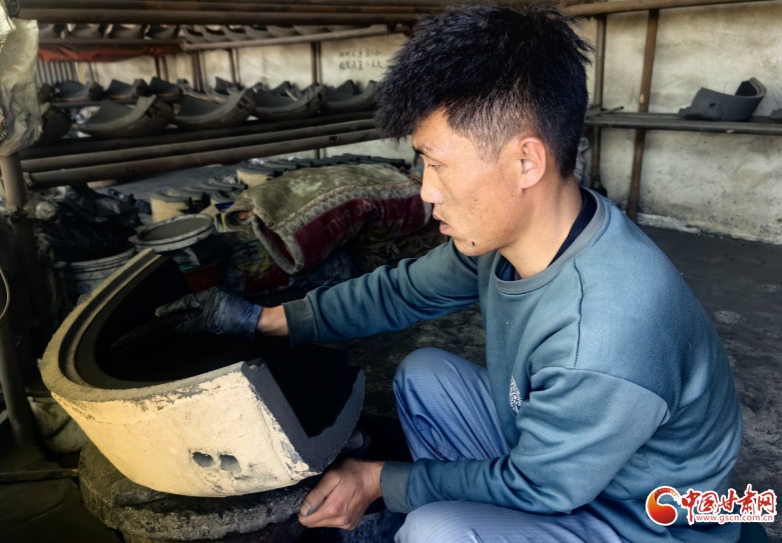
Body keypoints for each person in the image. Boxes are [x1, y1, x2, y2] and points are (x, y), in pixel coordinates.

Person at [157, 4, 743, 542]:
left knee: (434, 530)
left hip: (646, 517)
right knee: (426, 373)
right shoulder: (522, 233)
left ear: (526, 161)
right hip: (575, 465)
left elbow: (542, 488)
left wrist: (381, 481)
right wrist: (261, 320)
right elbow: (402, 291)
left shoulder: (605, 332)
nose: (426, 191)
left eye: (437, 165)